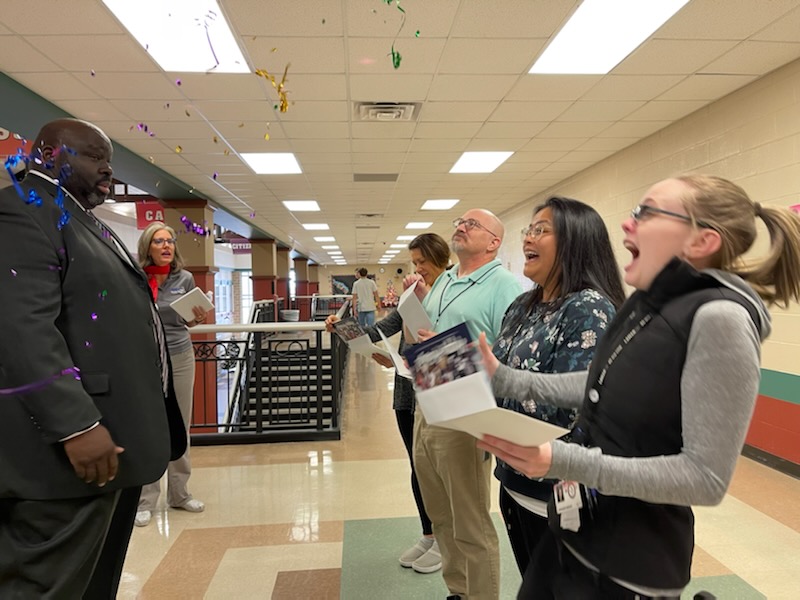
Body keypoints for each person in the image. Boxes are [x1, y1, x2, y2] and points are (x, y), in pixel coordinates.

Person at [477, 174, 800, 599]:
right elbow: (601, 384)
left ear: (702, 241)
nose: (627, 225)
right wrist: (504, 377)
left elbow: (704, 477)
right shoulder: (649, 304)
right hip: (574, 534)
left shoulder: (720, 320)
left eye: (645, 214)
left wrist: (563, 459)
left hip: (625, 567)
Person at [0, 118, 185, 598]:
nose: (107, 171)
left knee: (91, 583)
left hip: (113, 448)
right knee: (50, 586)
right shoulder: (23, 210)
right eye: (94, 158)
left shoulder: (74, 215)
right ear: (47, 155)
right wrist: (76, 425)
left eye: (109, 161)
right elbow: (22, 329)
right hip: (65, 461)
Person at [491, 197, 625, 578]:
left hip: (558, 492)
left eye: (541, 229)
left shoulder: (587, 309)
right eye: (528, 230)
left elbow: (572, 407)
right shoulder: (522, 305)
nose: (528, 238)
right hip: (515, 480)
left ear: (576, 242)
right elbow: (500, 374)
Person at [406, 209, 522, 600]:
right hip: (428, 403)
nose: (461, 226)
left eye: (472, 224)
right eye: (459, 221)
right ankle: (458, 591)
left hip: (466, 412)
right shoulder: (444, 281)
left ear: (493, 242)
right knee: (441, 516)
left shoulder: (504, 286)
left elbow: (510, 355)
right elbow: (436, 331)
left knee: (470, 523)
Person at [326, 233, 451, 574]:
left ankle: (446, 539)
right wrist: (343, 329)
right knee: (417, 466)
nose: (417, 269)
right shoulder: (410, 295)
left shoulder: (450, 293)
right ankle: (428, 533)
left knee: (439, 469)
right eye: (414, 263)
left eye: (423, 262)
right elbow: (382, 329)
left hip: (437, 392)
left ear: (441, 260)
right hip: (406, 390)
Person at [134, 222, 209, 527]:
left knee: (180, 425)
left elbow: (189, 322)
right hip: (144, 357)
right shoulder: (135, 276)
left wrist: (197, 317)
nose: (166, 246)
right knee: (149, 426)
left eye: (170, 241)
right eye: (158, 242)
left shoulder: (185, 278)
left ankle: (179, 494)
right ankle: (145, 499)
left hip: (179, 355)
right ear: (147, 248)